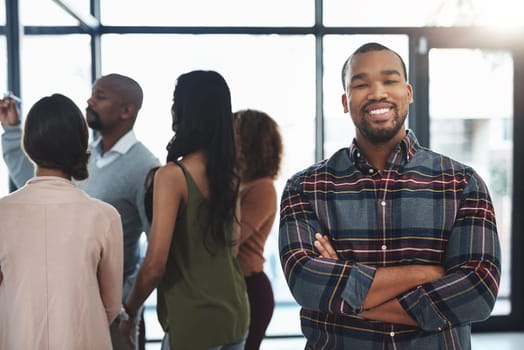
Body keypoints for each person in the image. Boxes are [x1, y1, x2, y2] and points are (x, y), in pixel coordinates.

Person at [278, 42, 501, 349]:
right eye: (361, 84)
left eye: (390, 80)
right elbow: (306, 281)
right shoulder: (305, 187)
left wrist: (350, 294)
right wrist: (427, 274)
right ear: (345, 101)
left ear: (408, 92)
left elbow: (479, 291)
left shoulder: (462, 182)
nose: (377, 92)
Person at [0, 74, 160, 350]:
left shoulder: (145, 166)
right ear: (78, 148)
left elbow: (155, 248)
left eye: (100, 96)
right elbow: (109, 306)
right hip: (86, 331)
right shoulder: (104, 213)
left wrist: (130, 304)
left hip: (22, 337)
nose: (90, 101)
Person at [119, 70, 250, 350]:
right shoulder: (229, 174)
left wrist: (128, 310)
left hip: (194, 321)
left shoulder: (172, 176)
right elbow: (234, 247)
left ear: (181, 110)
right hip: (236, 313)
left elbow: (154, 266)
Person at [233, 109, 283, 349]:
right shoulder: (240, 183)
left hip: (250, 288)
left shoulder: (262, 188)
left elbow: (232, 239)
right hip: (234, 285)